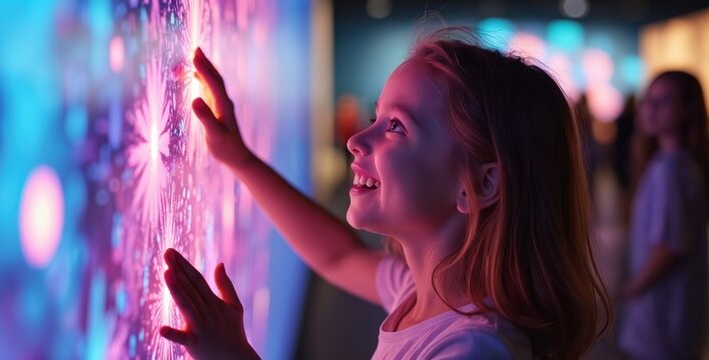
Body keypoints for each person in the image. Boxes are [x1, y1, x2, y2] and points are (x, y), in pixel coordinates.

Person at [160, 28, 611, 359]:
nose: (357, 140)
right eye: (377, 116)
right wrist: (239, 158)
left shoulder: (470, 350)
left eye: (396, 126)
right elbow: (337, 257)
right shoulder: (423, 294)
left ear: (480, 184)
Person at [620, 71, 708, 360]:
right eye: (649, 99)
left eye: (664, 100)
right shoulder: (679, 164)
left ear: (688, 109)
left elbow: (669, 246)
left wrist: (632, 288)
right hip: (673, 305)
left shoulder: (670, 169)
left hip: (662, 307)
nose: (651, 108)